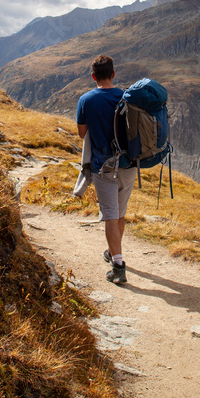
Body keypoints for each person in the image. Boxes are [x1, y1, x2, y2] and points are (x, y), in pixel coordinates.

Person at [76, 55, 137, 284]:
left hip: (104, 167)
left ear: (93, 76)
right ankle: (113, 253)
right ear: (113, 74)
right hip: (128, 164)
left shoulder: (86, 100)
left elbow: (83, 134)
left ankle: (118, 267)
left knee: (110, 216)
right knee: (120, 213)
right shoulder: (125, 97)